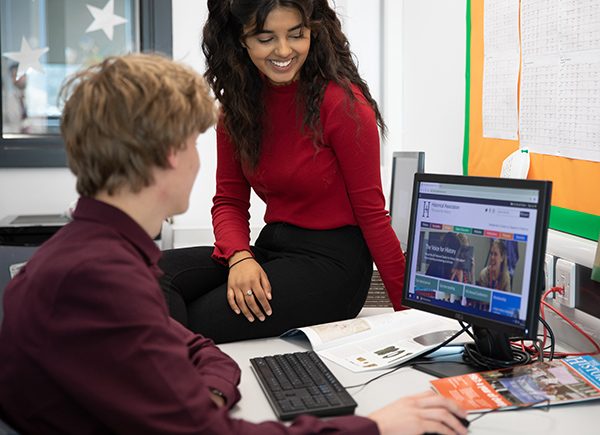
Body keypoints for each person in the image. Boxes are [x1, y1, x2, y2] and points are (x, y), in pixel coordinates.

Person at [0, 53, 468, 435]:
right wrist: (375, 426)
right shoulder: (103, 281)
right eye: (194, 142)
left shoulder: (88, 256)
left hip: (327, 261)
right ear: (171, 155)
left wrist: (207, 387)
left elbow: (190, 347)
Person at [158, 0, 406, 344]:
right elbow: (229, 201)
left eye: (296, 35)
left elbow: (374, 216)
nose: (284, 50)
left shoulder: (343, 104)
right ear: (242, 39)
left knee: (193, 318)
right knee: (149, 276)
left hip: (334, 264)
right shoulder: (238, 106)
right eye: (266, 38)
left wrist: (416, 319)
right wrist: (239, 257)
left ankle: (172, 372)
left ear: (313, 33)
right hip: (272, 247)